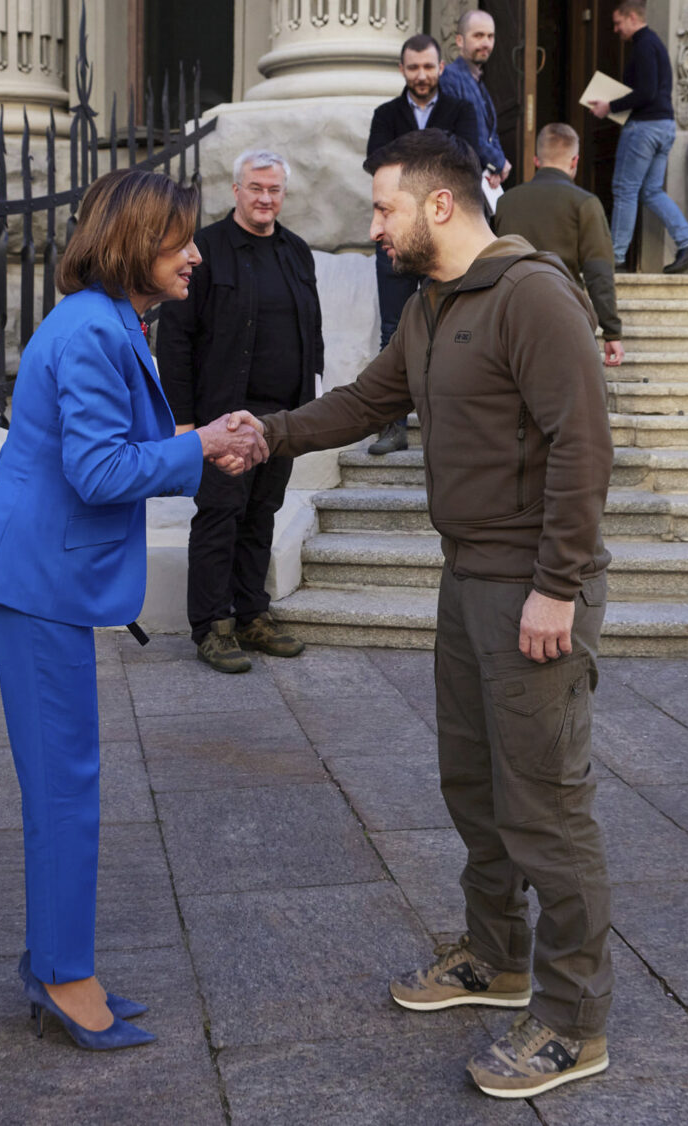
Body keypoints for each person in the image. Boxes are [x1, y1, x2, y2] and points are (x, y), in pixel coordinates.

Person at [240, 128, 616, 1102]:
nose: (374, 226)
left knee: (546, 807)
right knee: (473, 784)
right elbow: (367, 400)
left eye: (383, 208)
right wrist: (266, 434)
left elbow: (583, 446)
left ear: (438, 205)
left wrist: (557, 587)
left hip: (531, 585)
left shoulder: (532, 296)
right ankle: (495, 958)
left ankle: (572, 1021)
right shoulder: (440, 305)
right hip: (467, 578)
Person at [0, 168, 267, 1050]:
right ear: (135, 242)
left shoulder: (103, 319)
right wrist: (201, 445)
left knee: (66, 778)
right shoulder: (93, 331)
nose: (197, 254)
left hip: (30, 572)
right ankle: (63, 976)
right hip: (31, 582)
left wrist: (196, 442)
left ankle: (56, 960)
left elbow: (110, 449)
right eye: (181, 240)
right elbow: (97, 475)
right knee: (65, 782)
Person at [157, 149, 325, 674]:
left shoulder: (297, 252)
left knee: (261, 514)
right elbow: (177, 339)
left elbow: (311, 332)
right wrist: (183, 422)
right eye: (256, 188)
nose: (265, 198)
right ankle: (212, 626)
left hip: (281, 421)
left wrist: (308, 411)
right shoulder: (204, 250)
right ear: (236, 191)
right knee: (220, 516)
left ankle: (252, 614)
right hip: (222, 418)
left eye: (274, 190)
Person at [366, 33, 484, 454]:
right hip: (399, 236)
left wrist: (410, 168)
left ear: (440, 67)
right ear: (403, 69)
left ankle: (456, 426)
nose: (421, 75)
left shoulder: (461, 109)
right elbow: (378, 165)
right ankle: (392, 426)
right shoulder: (386, 114)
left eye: (428, 67)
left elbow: (469, 161)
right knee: (393, 330)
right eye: (413, 67)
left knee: (461, 328)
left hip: (447, 235)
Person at [588, 0, 688, 275]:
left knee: (625, 189)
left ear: (632, 18)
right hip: (665, 126)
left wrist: (609, 107)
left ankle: (615, 256)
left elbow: (646, 92)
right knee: (651, 190)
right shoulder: (654, 44)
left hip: (644, 128)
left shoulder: (643, 46)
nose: (616, 29)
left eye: (618, 23)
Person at [494, 123, 624, 366]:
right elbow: (599, 273)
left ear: (536, 160)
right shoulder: (585, 203)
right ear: (575, 161)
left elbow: (490, 262)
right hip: (564, 313)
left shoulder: (505, 202)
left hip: (510, 314)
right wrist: (611, 331)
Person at [438, 8, 510, 198]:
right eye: (478, 36)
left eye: (490, 36)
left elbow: (490, 135)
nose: (486, 43)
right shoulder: (449, 78)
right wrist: (499, 162)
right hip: (458, 183)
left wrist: (495, 168)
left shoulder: (479, 81)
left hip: (480, 181)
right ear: (459, 40)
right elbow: (463, 134)